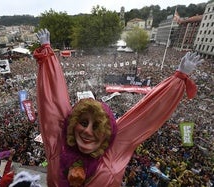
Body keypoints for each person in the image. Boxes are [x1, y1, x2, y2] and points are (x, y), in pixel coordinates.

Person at [33, 28, 203, 187]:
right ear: (72, 124)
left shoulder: (114, 148)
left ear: (108, 132)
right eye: (83, 123)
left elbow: (146, 113)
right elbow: (53, 102)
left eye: (97, 126)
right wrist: (47, 57)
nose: (87, 131)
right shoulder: (58, 143)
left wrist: (178, 79)